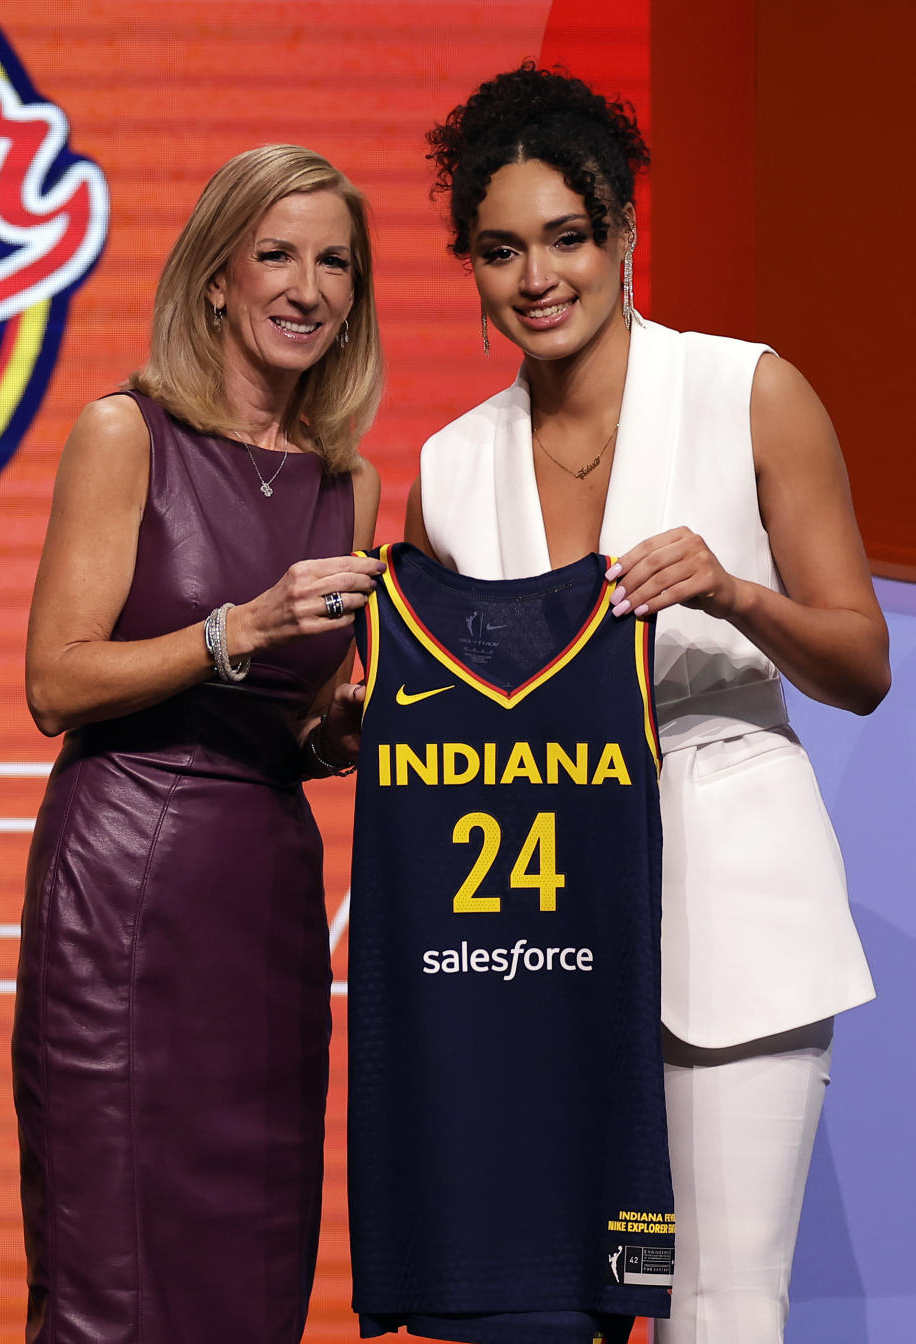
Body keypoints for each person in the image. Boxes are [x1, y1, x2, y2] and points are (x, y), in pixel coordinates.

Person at [405, 64, 890, 1344]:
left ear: (623, 229)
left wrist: (732, 593)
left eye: (568, 236)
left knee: (723, 1308)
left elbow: (861, 663)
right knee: (540, 1311)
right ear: (471, 265)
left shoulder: (749, 392)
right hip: (533, 919)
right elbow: (447, 724)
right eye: (501, 249)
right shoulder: (449, 467)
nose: (538, 278)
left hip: (731, 889)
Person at [13, 143, 385, 1344]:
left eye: (335, 262)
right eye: (276, 253)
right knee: (113, 1265)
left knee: (258, 1257)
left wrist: (364, 726)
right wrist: (237, 629)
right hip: (127, 884)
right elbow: (54, 682)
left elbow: (308, 723)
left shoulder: (352, 482)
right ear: (216, 276)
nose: (306, 286)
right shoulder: (127, 433)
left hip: (267, 896)